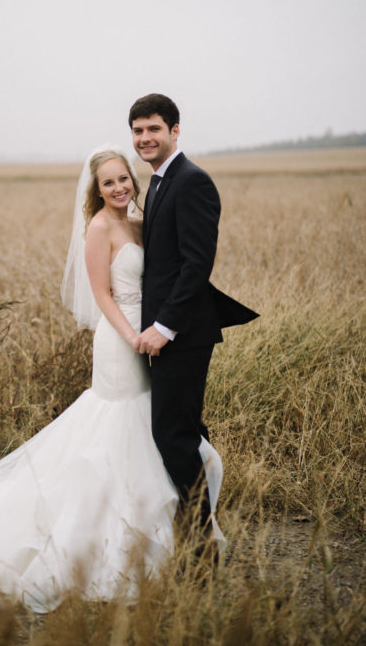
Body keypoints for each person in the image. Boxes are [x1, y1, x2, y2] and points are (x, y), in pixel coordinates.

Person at [0, 146, 226, 614]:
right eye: (108, 183)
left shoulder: (137, 221)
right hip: (122, 343)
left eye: (123, 179)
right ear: (96, 190)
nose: (118, 188)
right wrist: (133, 336)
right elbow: (100, 295)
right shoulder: (98, 228)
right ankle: (105, 530)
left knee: (149, 424)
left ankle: (169, 527)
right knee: (118, 422)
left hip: (153, 338)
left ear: (133, 181)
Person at [129, 94, 258, 533]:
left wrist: (164, 328)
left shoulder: (192, 181)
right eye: (138, 130)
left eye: (154, 129)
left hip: (182, 333)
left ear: (175, 131)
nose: (145, 138)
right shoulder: (160, 181)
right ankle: (198, 523)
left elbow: (196, 264)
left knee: (173, 435)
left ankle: (201, 547)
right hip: (167, 331)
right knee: (184, 429)